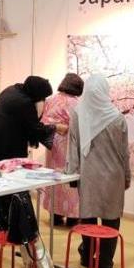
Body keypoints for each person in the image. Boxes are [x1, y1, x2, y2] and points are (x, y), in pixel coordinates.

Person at [66, 74, 130, 268]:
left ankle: (87, 256)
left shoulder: (78, 114)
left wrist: (72, 173)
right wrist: (127, 176)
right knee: (112, 219)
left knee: (88, 216)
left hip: (89, 175)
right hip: (114, 176)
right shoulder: (118, 118)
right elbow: (125, 152)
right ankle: (105, 263)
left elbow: (73, 146)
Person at [0, 76, 57, 232]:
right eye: (42, 97)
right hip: (2, 140)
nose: (43, 101)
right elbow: (34, 128)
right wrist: (55, 128)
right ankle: (3, 222)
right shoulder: (24, 102)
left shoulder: (13, 90)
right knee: (6, 180)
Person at [41, 73, 84, 227]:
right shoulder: (75, 103)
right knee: (69, 177)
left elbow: (43, 121)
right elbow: (78, 125)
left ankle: (55, 215)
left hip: (52, 143)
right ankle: (72, 217)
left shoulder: (50, 100)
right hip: (68, 144)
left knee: (54, 177)